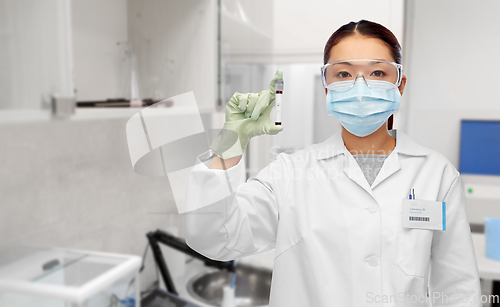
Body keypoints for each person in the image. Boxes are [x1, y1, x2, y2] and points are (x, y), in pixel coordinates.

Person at [183, 20, 481, 306]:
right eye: (343, 74)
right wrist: (231, 141)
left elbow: (458, 289)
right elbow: (214, 239)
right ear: (326, 88)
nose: (360, 86)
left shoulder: (437, 175)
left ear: (399, 85)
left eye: (378, 73)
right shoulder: (290, 173)